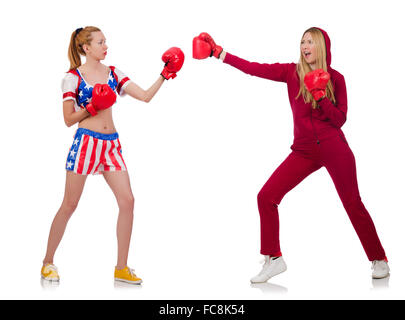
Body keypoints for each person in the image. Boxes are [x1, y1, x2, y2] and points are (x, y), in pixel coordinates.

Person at [193, 28, 389, 282]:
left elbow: (340, 119)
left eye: (310, 42)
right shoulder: (291, 72)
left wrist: (320, 95)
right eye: (302, 42)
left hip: (334, 147)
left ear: (321, 47)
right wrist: (219, 54)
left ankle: (378, 259)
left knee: (352, 203)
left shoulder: (336, 78)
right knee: (266, 196)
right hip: (304, 150)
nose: (305, 46)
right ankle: (273, 258)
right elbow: (254, 68)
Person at [41, 26, 184, 284]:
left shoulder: (114, 73)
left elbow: (145, 96)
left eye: (105, 41)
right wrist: (92, 106)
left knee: (128, 201)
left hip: (111, 145)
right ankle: (47, 262)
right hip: (86, 143)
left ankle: (121, 267)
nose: (106, 46)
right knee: (70, 204)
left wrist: (164, 74)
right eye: (100, 42)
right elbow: (67, 120)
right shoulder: (73, 78)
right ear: (86, 48)